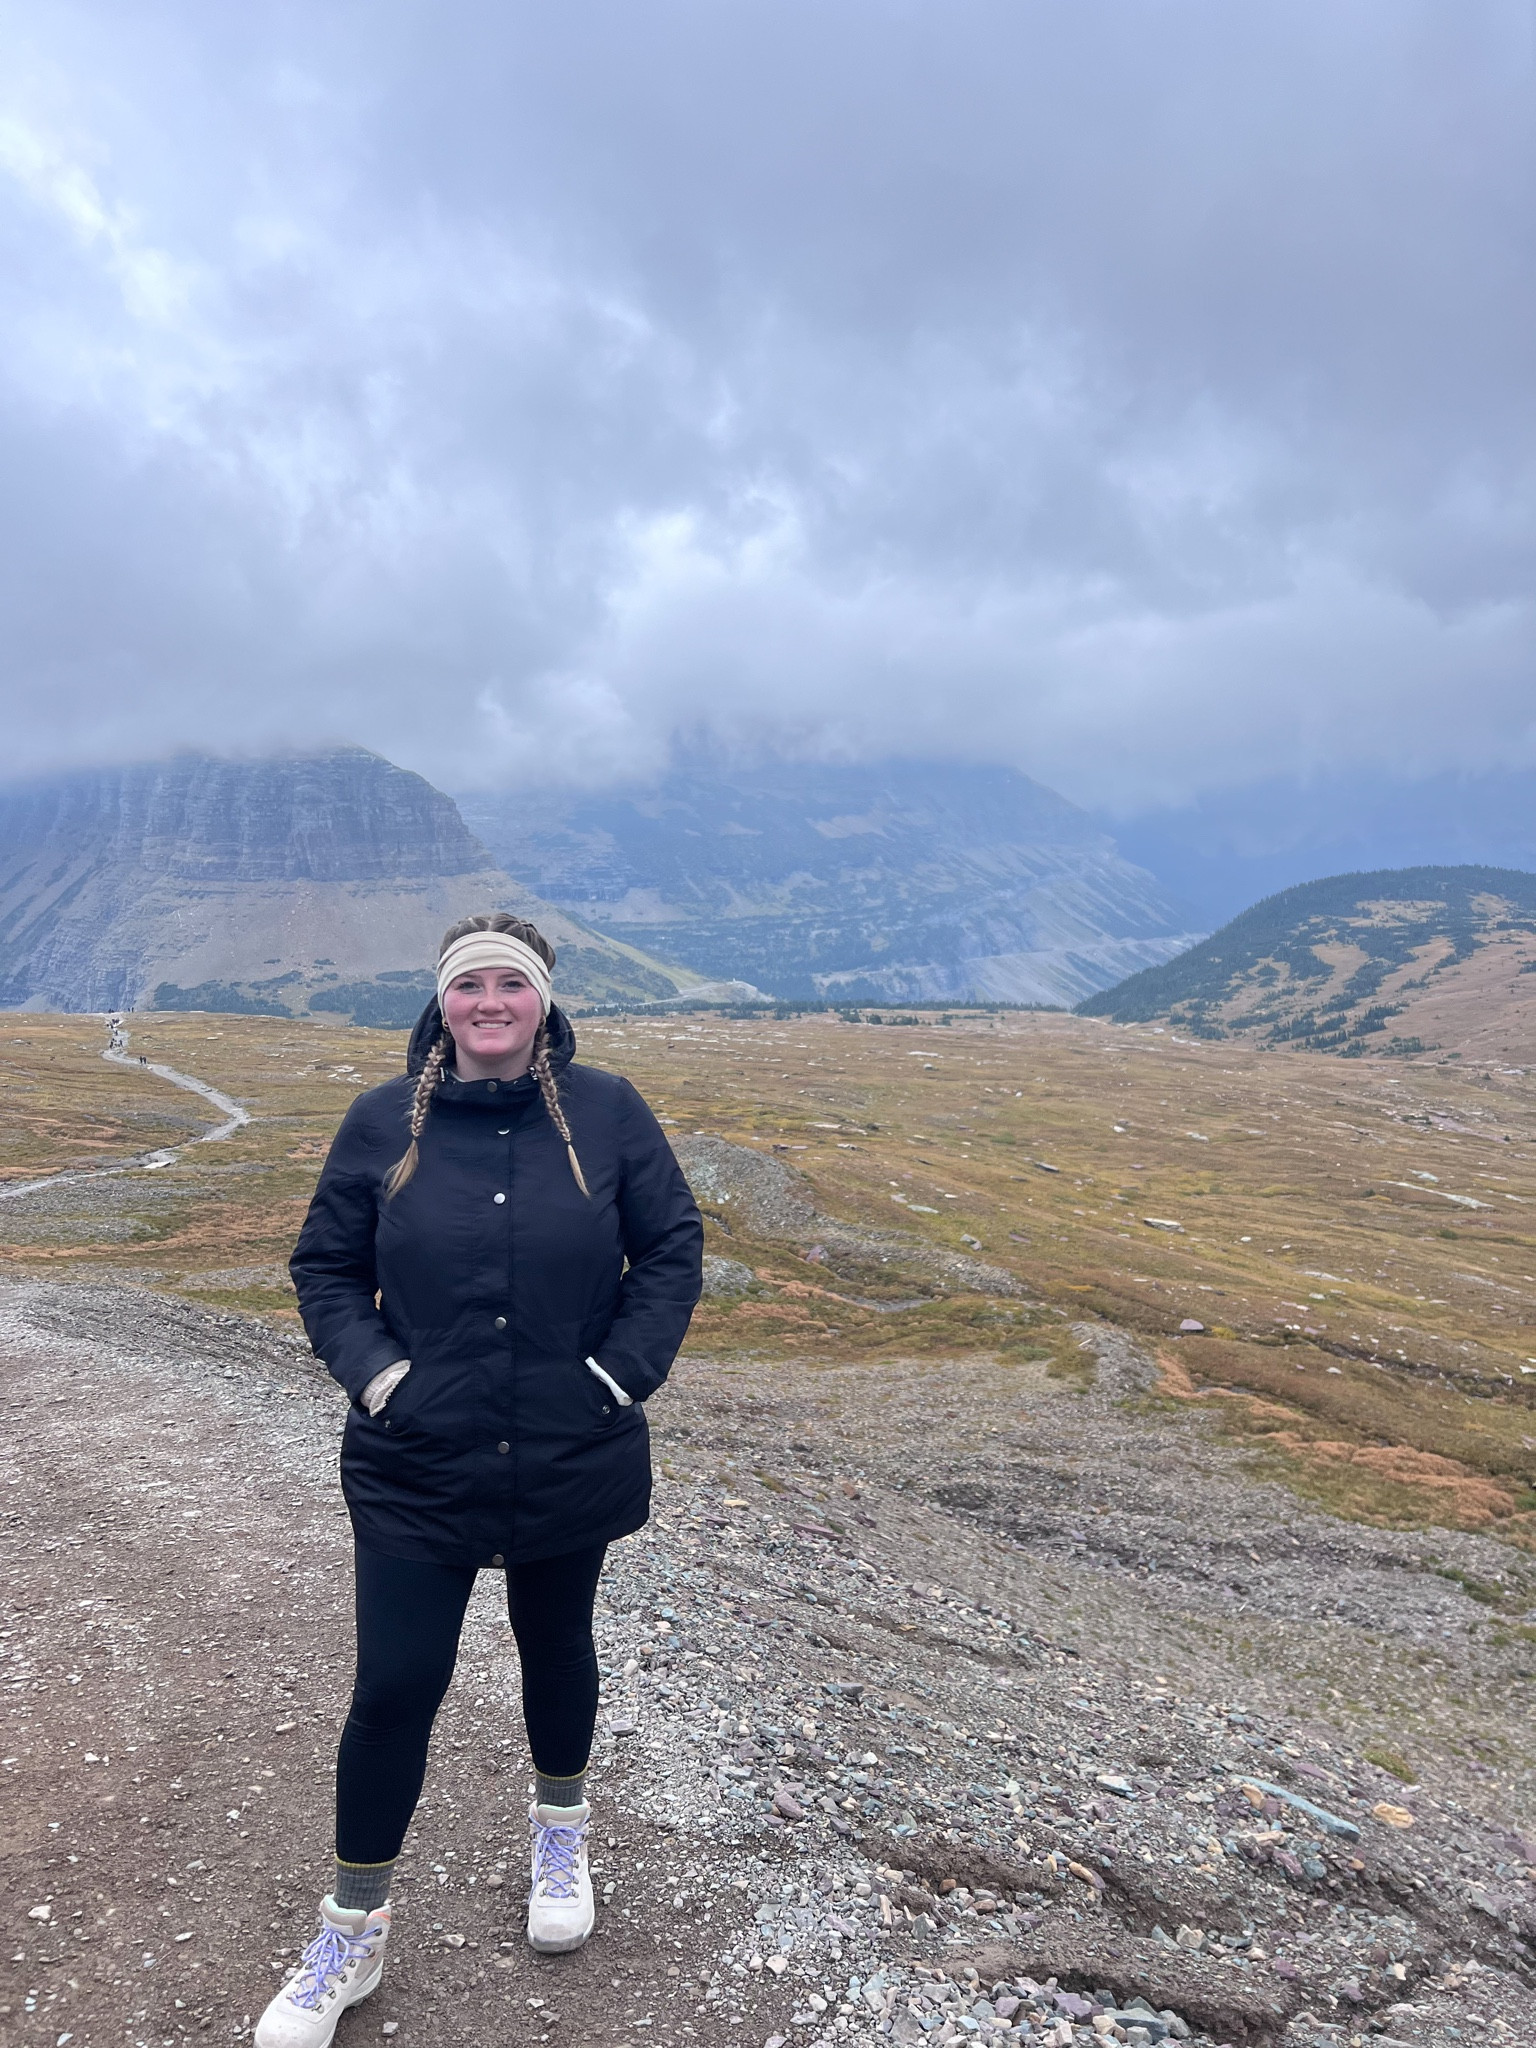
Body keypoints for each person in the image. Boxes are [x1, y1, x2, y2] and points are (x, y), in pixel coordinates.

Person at [256, 912, 703, 2048]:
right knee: (395, 1685)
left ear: (543, 1000)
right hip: (419, 1456)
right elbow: (322, 1266)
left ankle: (562, 1830)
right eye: (471, 985)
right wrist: (380, 1379)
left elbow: (672, 1245)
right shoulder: (377, 1122)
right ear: (441, 1002)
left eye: (513, 984)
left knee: (558, 1644)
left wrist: (616, 1375)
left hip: (570, 1445)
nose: (490, 1001)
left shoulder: (608, 1113)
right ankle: (351, 1928)